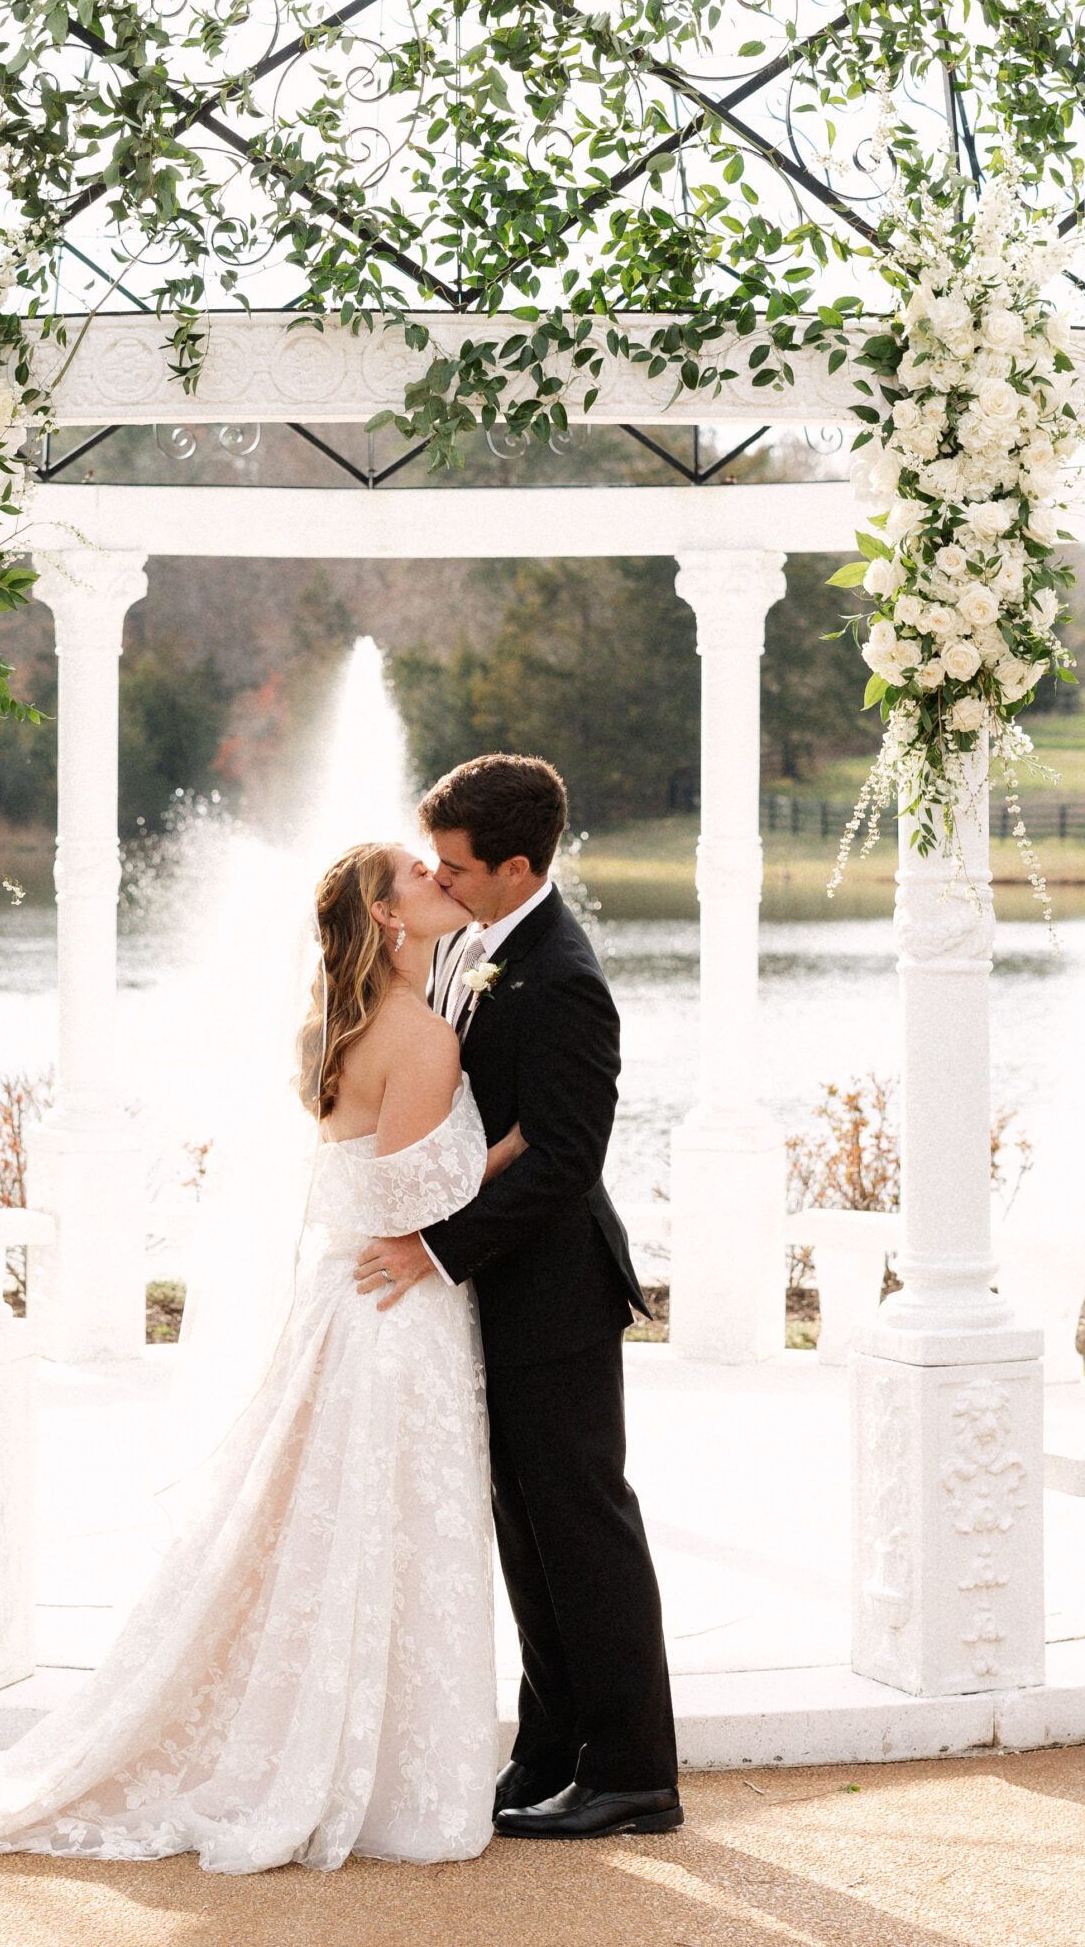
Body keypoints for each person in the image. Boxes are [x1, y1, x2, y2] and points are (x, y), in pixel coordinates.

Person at [0, 841, 518, 1874]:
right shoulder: (420, 1039)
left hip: (345, 1306)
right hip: (392, 1317)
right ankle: (385, 1779)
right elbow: (416, 1202)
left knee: (338, 1539)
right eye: (420, 877)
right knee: (390, 1531)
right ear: (386, 918)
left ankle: (356, 1750)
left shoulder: (338, 1031)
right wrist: (519, 1150)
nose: (441, 882)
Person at [355, 753, 682, 1842]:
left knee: (584, 1532)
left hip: (555, 1299)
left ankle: (635, 1772)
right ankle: (550, 1750)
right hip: (497, 1297)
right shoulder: (479, 946)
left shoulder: (565, 976)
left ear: (517, 865)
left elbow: (564, 1162)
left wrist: (434, 1249)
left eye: (455, 868)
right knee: (527, 1538)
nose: (440, 882)